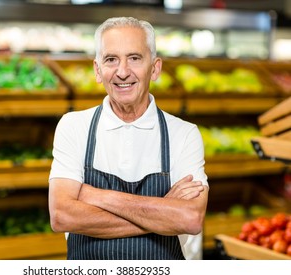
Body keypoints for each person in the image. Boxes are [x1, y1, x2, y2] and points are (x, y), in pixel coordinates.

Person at [48, 17, 209, 260]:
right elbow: (62, 216)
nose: (122, 72)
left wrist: (97, 196)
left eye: (134, 58)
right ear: (97, 70)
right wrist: (162, 211)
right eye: (111, 59)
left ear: (154, 68)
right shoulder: (73, 126)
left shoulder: (184, 134)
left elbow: (190, 219)